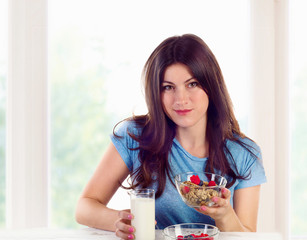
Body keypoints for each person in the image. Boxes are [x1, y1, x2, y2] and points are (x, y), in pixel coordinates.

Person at [75, 34, 267, 239]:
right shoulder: (135, 136)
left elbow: (247, 235)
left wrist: (225, 215)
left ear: (211, 86)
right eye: (168, 87)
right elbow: (84, 207)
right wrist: (118, 221)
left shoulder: (245, 154)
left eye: (192, 84)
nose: (180, 99)